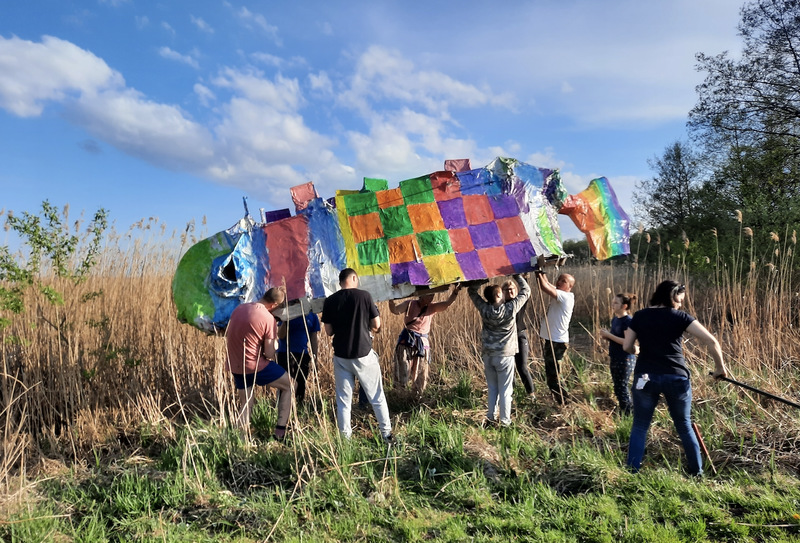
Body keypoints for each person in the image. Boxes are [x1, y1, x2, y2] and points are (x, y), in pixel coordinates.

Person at [623, 280, 728, 476]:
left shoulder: (639, 316)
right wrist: (720, 368)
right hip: (676, 376)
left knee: (640, 425)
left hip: (645, 376)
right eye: (680, 299)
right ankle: (697, 472)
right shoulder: (680, 317)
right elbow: (711, 340)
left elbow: (627, 346)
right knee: (684, 424)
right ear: (672, 296)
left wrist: (635, 349)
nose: (680, 304)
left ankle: (632, 470)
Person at [321, 268, 393, 442]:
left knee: (343, 401)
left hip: (341, 356)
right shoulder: (364, 296)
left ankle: (345, 441)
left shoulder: (330, 301)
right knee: (376, 397)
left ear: (340, 282)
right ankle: (387, 435)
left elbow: (329, 331)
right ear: (353, 278)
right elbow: (376, 324)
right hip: (363, 354)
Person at [225, 287, 293, 440]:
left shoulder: (239, 309)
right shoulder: (268, 319)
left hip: (235, 364)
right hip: (255, 366)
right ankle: (280, 432)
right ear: (274, 305)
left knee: (246, 404)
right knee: (289, 385)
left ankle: (240, 440)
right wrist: (275, 344)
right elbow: (269, 353)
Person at [467, 274, 531, 426]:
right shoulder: (510, 308)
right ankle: (504, 421)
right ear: (498, 295)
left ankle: (490, 417)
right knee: (505, 390)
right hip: (505, 355)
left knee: (493, 387)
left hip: (488, 354)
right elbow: (526, 291)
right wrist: (517, 275)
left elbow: (471, 292)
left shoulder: (484, 309)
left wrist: (482, 279)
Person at [388, 284, 462, 396]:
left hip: (422, 343)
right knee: (402, 369)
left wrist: (455, 292)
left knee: (421, 371)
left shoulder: (432, 308)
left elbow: (447, 304)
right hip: (407, 341)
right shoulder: (410, 304)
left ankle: (417, 396)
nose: (431, 298)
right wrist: (391, 300)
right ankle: (399, 395)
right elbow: (395, 310)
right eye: (429, 295)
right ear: (421, 296)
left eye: (433, 295)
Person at [535, 270, 576, 404]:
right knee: (551, 376)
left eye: (563, 281)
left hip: (558, 342)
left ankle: (565, 402)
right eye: (559, 279)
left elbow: (544, 287)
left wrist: (538, 272)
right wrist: (542, 271)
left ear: (570, 287)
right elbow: (547, 283)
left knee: (555, 377)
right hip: (552, 340)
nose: (559, 282)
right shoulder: (562, 293)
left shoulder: (566, 297)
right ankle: (561, 401)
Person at [599, 293, 638, 415]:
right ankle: (624, 410)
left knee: (622, 387)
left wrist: (609, 335)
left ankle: (628, 413)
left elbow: (628, 342)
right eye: (613, 302)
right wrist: (607, 337)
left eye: (616, 303)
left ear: (624, 306)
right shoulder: (615, 319)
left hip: (625, 358)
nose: (612, 305)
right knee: (617, 386)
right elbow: (617, 338)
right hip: (615, 356)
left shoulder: (628, 321)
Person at [276, 310, 320, 406]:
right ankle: (282, 408)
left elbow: (313, 338)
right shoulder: (286, 313)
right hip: (285, 353)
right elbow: (280, 335)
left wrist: (315, 357)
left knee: (300, 383)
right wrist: (286, 320)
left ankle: (298, 407)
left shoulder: (312, 315)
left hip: (303, 355)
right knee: (285, 384)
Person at [501, 279, 535, 397]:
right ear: (502, 292)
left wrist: (521, 277)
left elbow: (526, 291)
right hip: (506, 339)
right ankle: (512, 394)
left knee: (522, 367)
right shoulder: (500, 306)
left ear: (516, 291)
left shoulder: (519, 302)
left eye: (512, 289)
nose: (510, 291)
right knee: (509, 368)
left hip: (520, 336)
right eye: (507, 289)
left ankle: (531, 394)